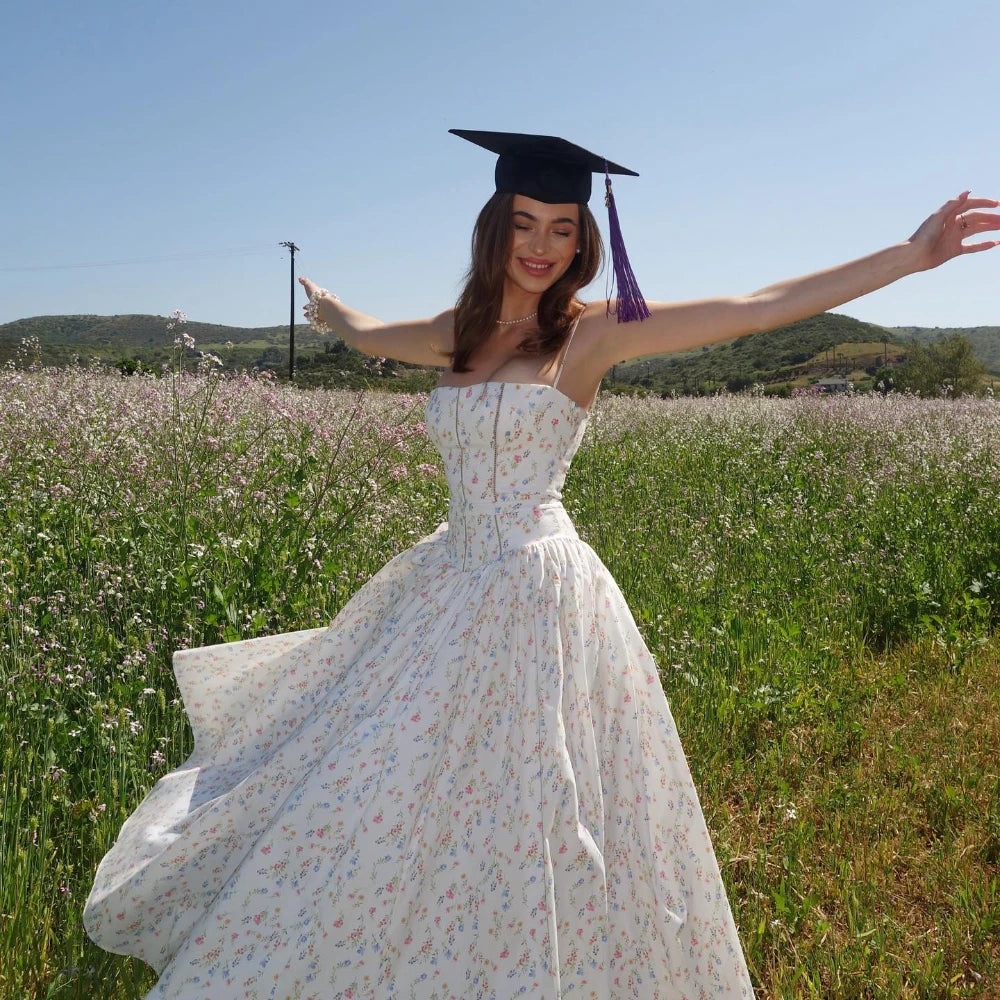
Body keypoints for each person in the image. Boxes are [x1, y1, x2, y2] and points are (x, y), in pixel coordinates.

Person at [84, 129, 999, 999]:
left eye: (563, 229)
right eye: (525, 223)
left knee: (539, 804)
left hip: (539, 595)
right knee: (389, 785)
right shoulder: (455, 333)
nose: (542, 245)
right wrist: (328, 311)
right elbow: (368, 334)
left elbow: (756, 309)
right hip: (445, 587)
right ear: (495, 227)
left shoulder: (592, 334)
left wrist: (908, 256)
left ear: (582, 241)